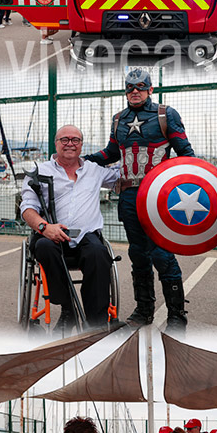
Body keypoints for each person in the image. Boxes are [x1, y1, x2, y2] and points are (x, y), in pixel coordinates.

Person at [86, 69, 195, 328]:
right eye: (130, 87)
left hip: (159, 196)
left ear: (150, 89)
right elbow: (111, 153)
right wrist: (82, 161)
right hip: (129, 196)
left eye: (141, 86)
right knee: (138, 254)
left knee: (162, 253)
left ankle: (177, 315)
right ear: (125, 90)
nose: (135, 91)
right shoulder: (118, 120)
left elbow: (186, 154)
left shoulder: (165, 114)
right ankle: (143, 309)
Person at [20, 125, 120, 331]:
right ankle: (69, 310)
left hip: (87, 235)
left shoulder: (94, 170)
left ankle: (96, 323)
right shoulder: (39, 172)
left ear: (81, 145)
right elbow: (27, 208)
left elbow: (125, 177)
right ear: (56, 144)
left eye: (75, 140)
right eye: (64, 140)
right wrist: (44, 227)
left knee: (98, 253)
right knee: (45, 247)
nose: (70, 144)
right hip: (50, 232)